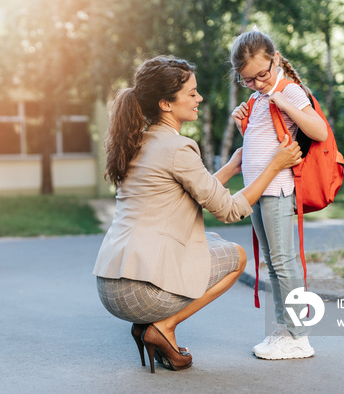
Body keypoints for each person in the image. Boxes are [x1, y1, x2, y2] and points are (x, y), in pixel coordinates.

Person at [93, 55, 302, 373]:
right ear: (166, 103)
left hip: (111, 284)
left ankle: (153, 327)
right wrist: (275, 165)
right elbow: (230, 210)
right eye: (191, 93)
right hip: (141, 291)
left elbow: (197, 194)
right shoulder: (178, 148)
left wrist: (232, 167)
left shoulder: (137, 142)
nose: (199, 98)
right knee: (237, 257)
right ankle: (163, 327)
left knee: (211, 240)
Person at [230, 30, 328, 360]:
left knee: (285, 263)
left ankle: (299, 336)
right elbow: (265, 141)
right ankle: (284, 330)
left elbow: (318, 130)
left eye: (262, 74)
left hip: (279, 189)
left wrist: (283, 100)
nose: (257, 83)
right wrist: (244, 125)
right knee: (274, 264)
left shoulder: (289, 90)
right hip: (259, 191)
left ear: (275, 60)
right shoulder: (259, 97)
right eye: (248, 80)